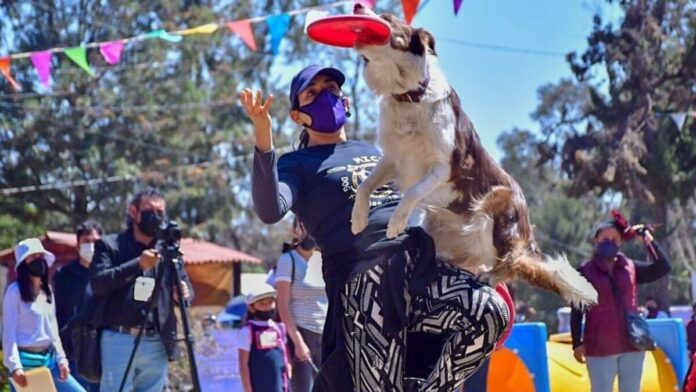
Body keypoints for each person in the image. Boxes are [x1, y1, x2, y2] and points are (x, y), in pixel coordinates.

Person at [242, 64, 509, 392]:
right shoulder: (297, 165)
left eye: (331, 89)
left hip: (417, 270)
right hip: (364, 283)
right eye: (312, 93)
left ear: (346, 101)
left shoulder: (373, 152)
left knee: (489, 311)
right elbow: (270, 209)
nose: (325, 96)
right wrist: (263, 137)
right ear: (298, 116)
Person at [89, 188, 193, 392]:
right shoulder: (110, 245)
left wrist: (184, 292)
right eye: (149, 210)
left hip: (157, 341)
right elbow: (98, 284)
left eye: (160, 212)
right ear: (133, 212)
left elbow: (185, 285)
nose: (155, 217)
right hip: (119, 340)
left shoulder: (169, 250)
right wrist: (138, 264)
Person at [571, 219, 671, 392]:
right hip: (599, 347)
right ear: (596, 240)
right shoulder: (584, 272)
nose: (609, 242)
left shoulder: (631, 268)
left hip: (632, 344)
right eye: (604, 238)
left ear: (621, 242)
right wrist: (576, 343)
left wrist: (646, 236)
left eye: (615, 239)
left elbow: (663, 266)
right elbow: (576, 310)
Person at [2, 238, 86, 392]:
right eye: (33, 257)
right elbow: (9, 333)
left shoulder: (47, 291)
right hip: (25, 365)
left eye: (41, 256)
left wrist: (62, 360)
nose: (38, 261)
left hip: (49, 361)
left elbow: (53, 330)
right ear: (23, 263)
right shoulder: (14, 292)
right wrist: (15, 367)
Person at [275, 219, 327, 392]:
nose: (309, 232)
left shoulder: (323, 260)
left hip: (326, 336)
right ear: (295, 232)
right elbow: (282, 306)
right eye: (303, 227)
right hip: (302, 335)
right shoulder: (287, 260)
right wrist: (298, 343)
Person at [54, 220, 103, 392]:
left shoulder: (109, 273)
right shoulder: (64, 275)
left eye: (95, 241)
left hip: (103, 351)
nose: (91, 246)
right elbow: (59, 315)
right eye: (86, 242)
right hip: (74, 352)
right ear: (78, 245)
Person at [238, 284, 290, 392]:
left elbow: (284, 352)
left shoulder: (279, 327)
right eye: (262, 304)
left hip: (280, 384)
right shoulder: (247, 331)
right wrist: (247, 388)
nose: (267, 307)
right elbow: (243, 363)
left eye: (270, 302)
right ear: (252, 307)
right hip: (260, 385)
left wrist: (288, 367)